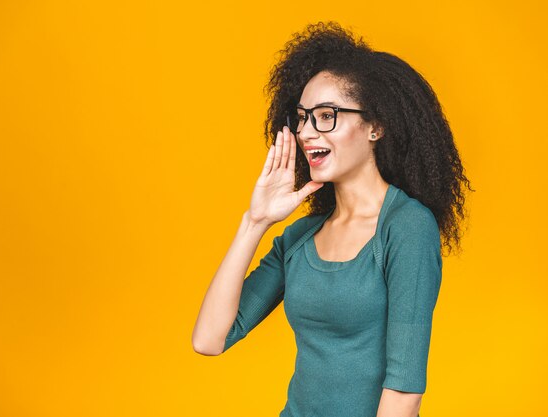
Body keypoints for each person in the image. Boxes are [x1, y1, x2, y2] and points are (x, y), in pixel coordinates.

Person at [192, 21, 473, 417]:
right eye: (303, 117)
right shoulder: (301, 237)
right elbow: (209, 339)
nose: (307, 131)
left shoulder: (407, 227)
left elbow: (405, 394)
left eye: (327, 115)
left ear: (376, 126)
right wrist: (254, 222)